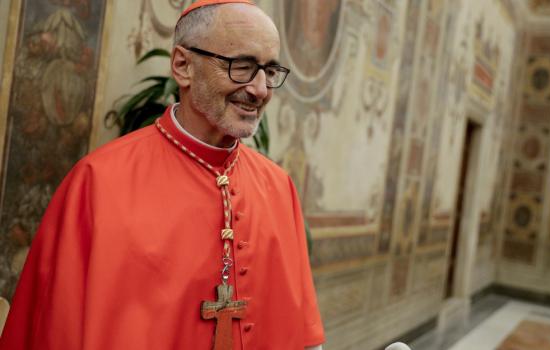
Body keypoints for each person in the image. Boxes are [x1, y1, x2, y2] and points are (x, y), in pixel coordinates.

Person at [0, 0, 325, 349]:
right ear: (183, 66)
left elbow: (301, 333)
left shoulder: (279, 188)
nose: (260, 89)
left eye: (270, 71)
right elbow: (56, 330)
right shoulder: (98, 182)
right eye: (241, 67)